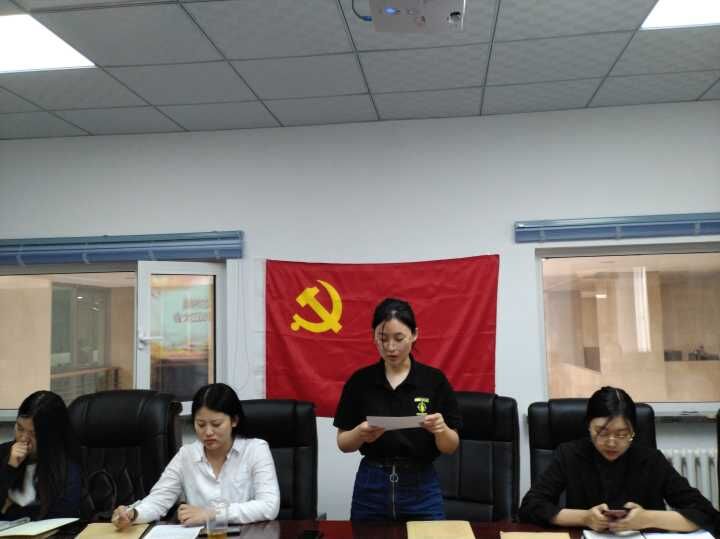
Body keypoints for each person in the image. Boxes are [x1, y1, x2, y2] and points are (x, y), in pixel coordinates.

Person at [519, 386, 719, 532]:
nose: (611, 442)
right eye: (602, 432)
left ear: (633, 431)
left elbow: (705, 513)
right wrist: (584, 518)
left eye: (622, 434)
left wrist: (648, 518)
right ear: (588, 426)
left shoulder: (651, 460)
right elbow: (530, 507)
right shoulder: (570, 455)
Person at [334, 297, 462, 521]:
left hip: (421, 486)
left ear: (414, 334)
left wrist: (441, 430)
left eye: (399, 338)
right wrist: (360, 433)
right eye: (383, 339)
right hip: (371, 485)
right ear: (374, 336)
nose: (391, 347)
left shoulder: (434, 381)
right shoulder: (360, 381)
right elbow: (343, 443)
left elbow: (451, 446)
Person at [112, 383, 280, 528]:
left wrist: (212, 513)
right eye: (200, 424)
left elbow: (269, 506)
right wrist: (133, 514)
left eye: (216, 424)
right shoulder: (187, 454)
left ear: (234, 421)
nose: (208, 432)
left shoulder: (256, 449)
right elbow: (158, 500)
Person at [0, 391, 81, 520]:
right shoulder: (4, 453)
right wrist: (10, 469)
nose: (23, 439)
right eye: (20, 428)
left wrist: (10, 510)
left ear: (52, 436)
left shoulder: (66, 466)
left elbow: (63, 516)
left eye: (34, 434)